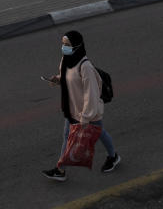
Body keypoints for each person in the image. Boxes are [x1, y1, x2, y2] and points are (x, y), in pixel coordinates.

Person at [42, 30, 120, 181]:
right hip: (72, 108)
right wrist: (57, 79)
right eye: (63, 44)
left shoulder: (85, 66)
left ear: (77, 46)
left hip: (87, 111)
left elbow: (91, 93)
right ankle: (60, 170)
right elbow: (67, 77)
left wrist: (85, 117)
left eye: (68, 44)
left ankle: (113, 156)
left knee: (99, 133)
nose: (64, 47)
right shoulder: (66, 59)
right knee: (68, 136)